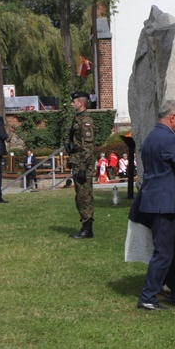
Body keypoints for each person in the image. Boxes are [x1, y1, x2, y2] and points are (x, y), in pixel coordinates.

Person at [128, 100, 175, 311]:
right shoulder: (170, 140)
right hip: (162, 203)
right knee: (165, 252)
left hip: (153, 200)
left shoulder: (151, 137)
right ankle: (148, 296)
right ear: (171, 118)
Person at [67, 92, 96, 239]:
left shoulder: (86, 121)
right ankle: (85, 225)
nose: (72, 104)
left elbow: (88, 147)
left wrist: (83, 168)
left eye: (73, 102)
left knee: (84, 196)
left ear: (81, 103)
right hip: (77, 161)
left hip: (83, 163)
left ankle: (87, 228)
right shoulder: (77, 118)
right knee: (80, 195)